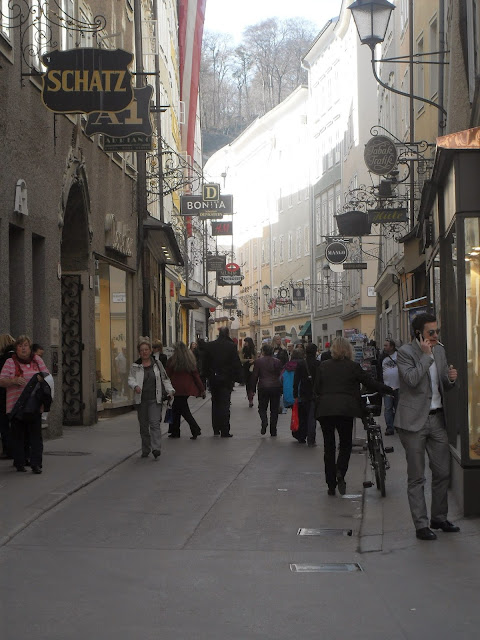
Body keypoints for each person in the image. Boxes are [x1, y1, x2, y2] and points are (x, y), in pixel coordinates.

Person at [395, 313, 459, 541]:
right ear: (419, 333)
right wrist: (425, 356)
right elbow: (411, 380)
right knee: (417, 476)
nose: (435, 336)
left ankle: (439, 517)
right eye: (430, 332)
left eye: (437, 331)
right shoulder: (404, 353)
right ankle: (421, 525)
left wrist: (451, 379)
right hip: (413, 423)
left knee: (442, 472)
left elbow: (443, 384)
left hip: (437, 419)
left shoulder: (440, 350)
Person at [314, 337, 393, 496]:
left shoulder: (323, 366)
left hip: (326, 410)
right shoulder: (353, 366)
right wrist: (389, 389)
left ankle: (331, 485)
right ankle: (340, 472)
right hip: (345, 410)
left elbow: (316, 389)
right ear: (348, 350)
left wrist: (319, 405)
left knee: (329, 448)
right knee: (345, 444)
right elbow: (370, 382)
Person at [0, 335, 51, 474]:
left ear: (30, 348)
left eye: (26, 345)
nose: (23, 348)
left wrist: (41, 377)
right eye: (20, 346)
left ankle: (36, 464)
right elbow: (2, 381)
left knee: (35, 436)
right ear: (16, 348)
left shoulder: (37, 360)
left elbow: (48, 375)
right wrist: (14, 381)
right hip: (16, 405)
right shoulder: (10, 362)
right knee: (18, 435)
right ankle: (19, 462)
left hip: (34, 404)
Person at [128, 337, 174, 459]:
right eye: (142, 350)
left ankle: (156, 448)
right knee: (144, 426)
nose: (144, 352)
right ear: (139, 352)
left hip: (155, 399)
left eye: (146, 349)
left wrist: (170, 390)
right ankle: (146, 448)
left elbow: (165, 379)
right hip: (141, 400)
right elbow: (130, 379)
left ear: (150, 351)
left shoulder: (157, 364)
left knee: (154, 424)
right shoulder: (135, 366)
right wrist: (135, 386)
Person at [202, 327, 242, 437]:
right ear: (227, 334)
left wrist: (206, 376)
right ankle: (225, 430)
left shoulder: (210, 346)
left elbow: (205, 363)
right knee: (225, 404)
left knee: (215, 403)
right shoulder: (231, 346)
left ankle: (216, 428)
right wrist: (239, 377)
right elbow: (236, 364)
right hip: (226, 379)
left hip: (213, 379)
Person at [166, 342, 205, 439]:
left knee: (184, 411)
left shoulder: (172, 360)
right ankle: (175, 431)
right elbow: (196, 376)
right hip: (186, 389)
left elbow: (167, 374)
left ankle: (195, 429)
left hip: (176, 389)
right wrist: (201, 389)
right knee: (177, 409)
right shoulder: (190, 360)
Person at [250, 343, 283, 436]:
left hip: (263, 387)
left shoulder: (258, 362)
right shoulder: (277, 361)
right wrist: (281, 388)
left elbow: (255, 375)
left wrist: (252, 389)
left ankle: (264, 421)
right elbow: (281, 375)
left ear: (263, 351)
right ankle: (273, 430)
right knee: (274, 409)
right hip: (275, 387)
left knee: (262, 408)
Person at [293, 342, 320, 446]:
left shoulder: (301, 364)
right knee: (312, 416)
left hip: (303, 393)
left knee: (303, 415)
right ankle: (311, 438)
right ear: (315, 352)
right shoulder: (318, 364)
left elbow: (296, 380)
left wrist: (295, 393)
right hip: (314, 393)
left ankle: (301, 436)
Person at [378, 339, 399, 435]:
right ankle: (390, 427)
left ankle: (399, 426)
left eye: (386, 345)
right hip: (387, 387)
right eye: (384, 345)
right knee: (388, 408)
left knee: (398, 407)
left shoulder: (399, 355)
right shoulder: (382, 357)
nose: (384, 347)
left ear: (392, 346)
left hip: (399, 387)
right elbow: (379, 372)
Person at [0, 334, 15, 459]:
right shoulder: (20, 358)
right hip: (18, 396)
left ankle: (8, 450)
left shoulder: (3, 359)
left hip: (4, 396)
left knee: (4, 424)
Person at [240, 337, 256, 407]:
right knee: (248, 384)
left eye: (246, 342)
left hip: (252, 368)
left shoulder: (253, 350)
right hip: (245, 369)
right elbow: (241, 360)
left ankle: (251, 396)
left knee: (252, 384)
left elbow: (256, 359)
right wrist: (248, 360)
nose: (245, 343)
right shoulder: (243, 350)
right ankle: (250, 399)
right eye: (244, 342)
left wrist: (253, 360)